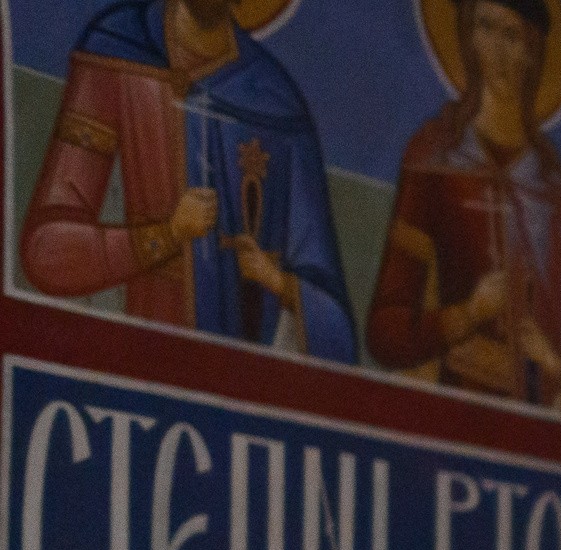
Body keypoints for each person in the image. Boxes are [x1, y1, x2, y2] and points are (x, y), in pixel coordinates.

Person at [22, 0, 357, 359]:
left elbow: (336, 329)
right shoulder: (117, 49)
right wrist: (168, 235)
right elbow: (47, 251)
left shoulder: (276, 101)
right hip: (140, 359)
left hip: (234, 374)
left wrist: (277, 281)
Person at [367, 0, 561, 417]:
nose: (497, 52)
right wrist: (469, 314)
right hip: (448, 420)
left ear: (533, 52)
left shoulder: (560, 198)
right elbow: (385, 333)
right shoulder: (434, 163)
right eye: (485, 27)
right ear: (468, 36)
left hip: (539, 432)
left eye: (512, 36)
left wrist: (554, 365)